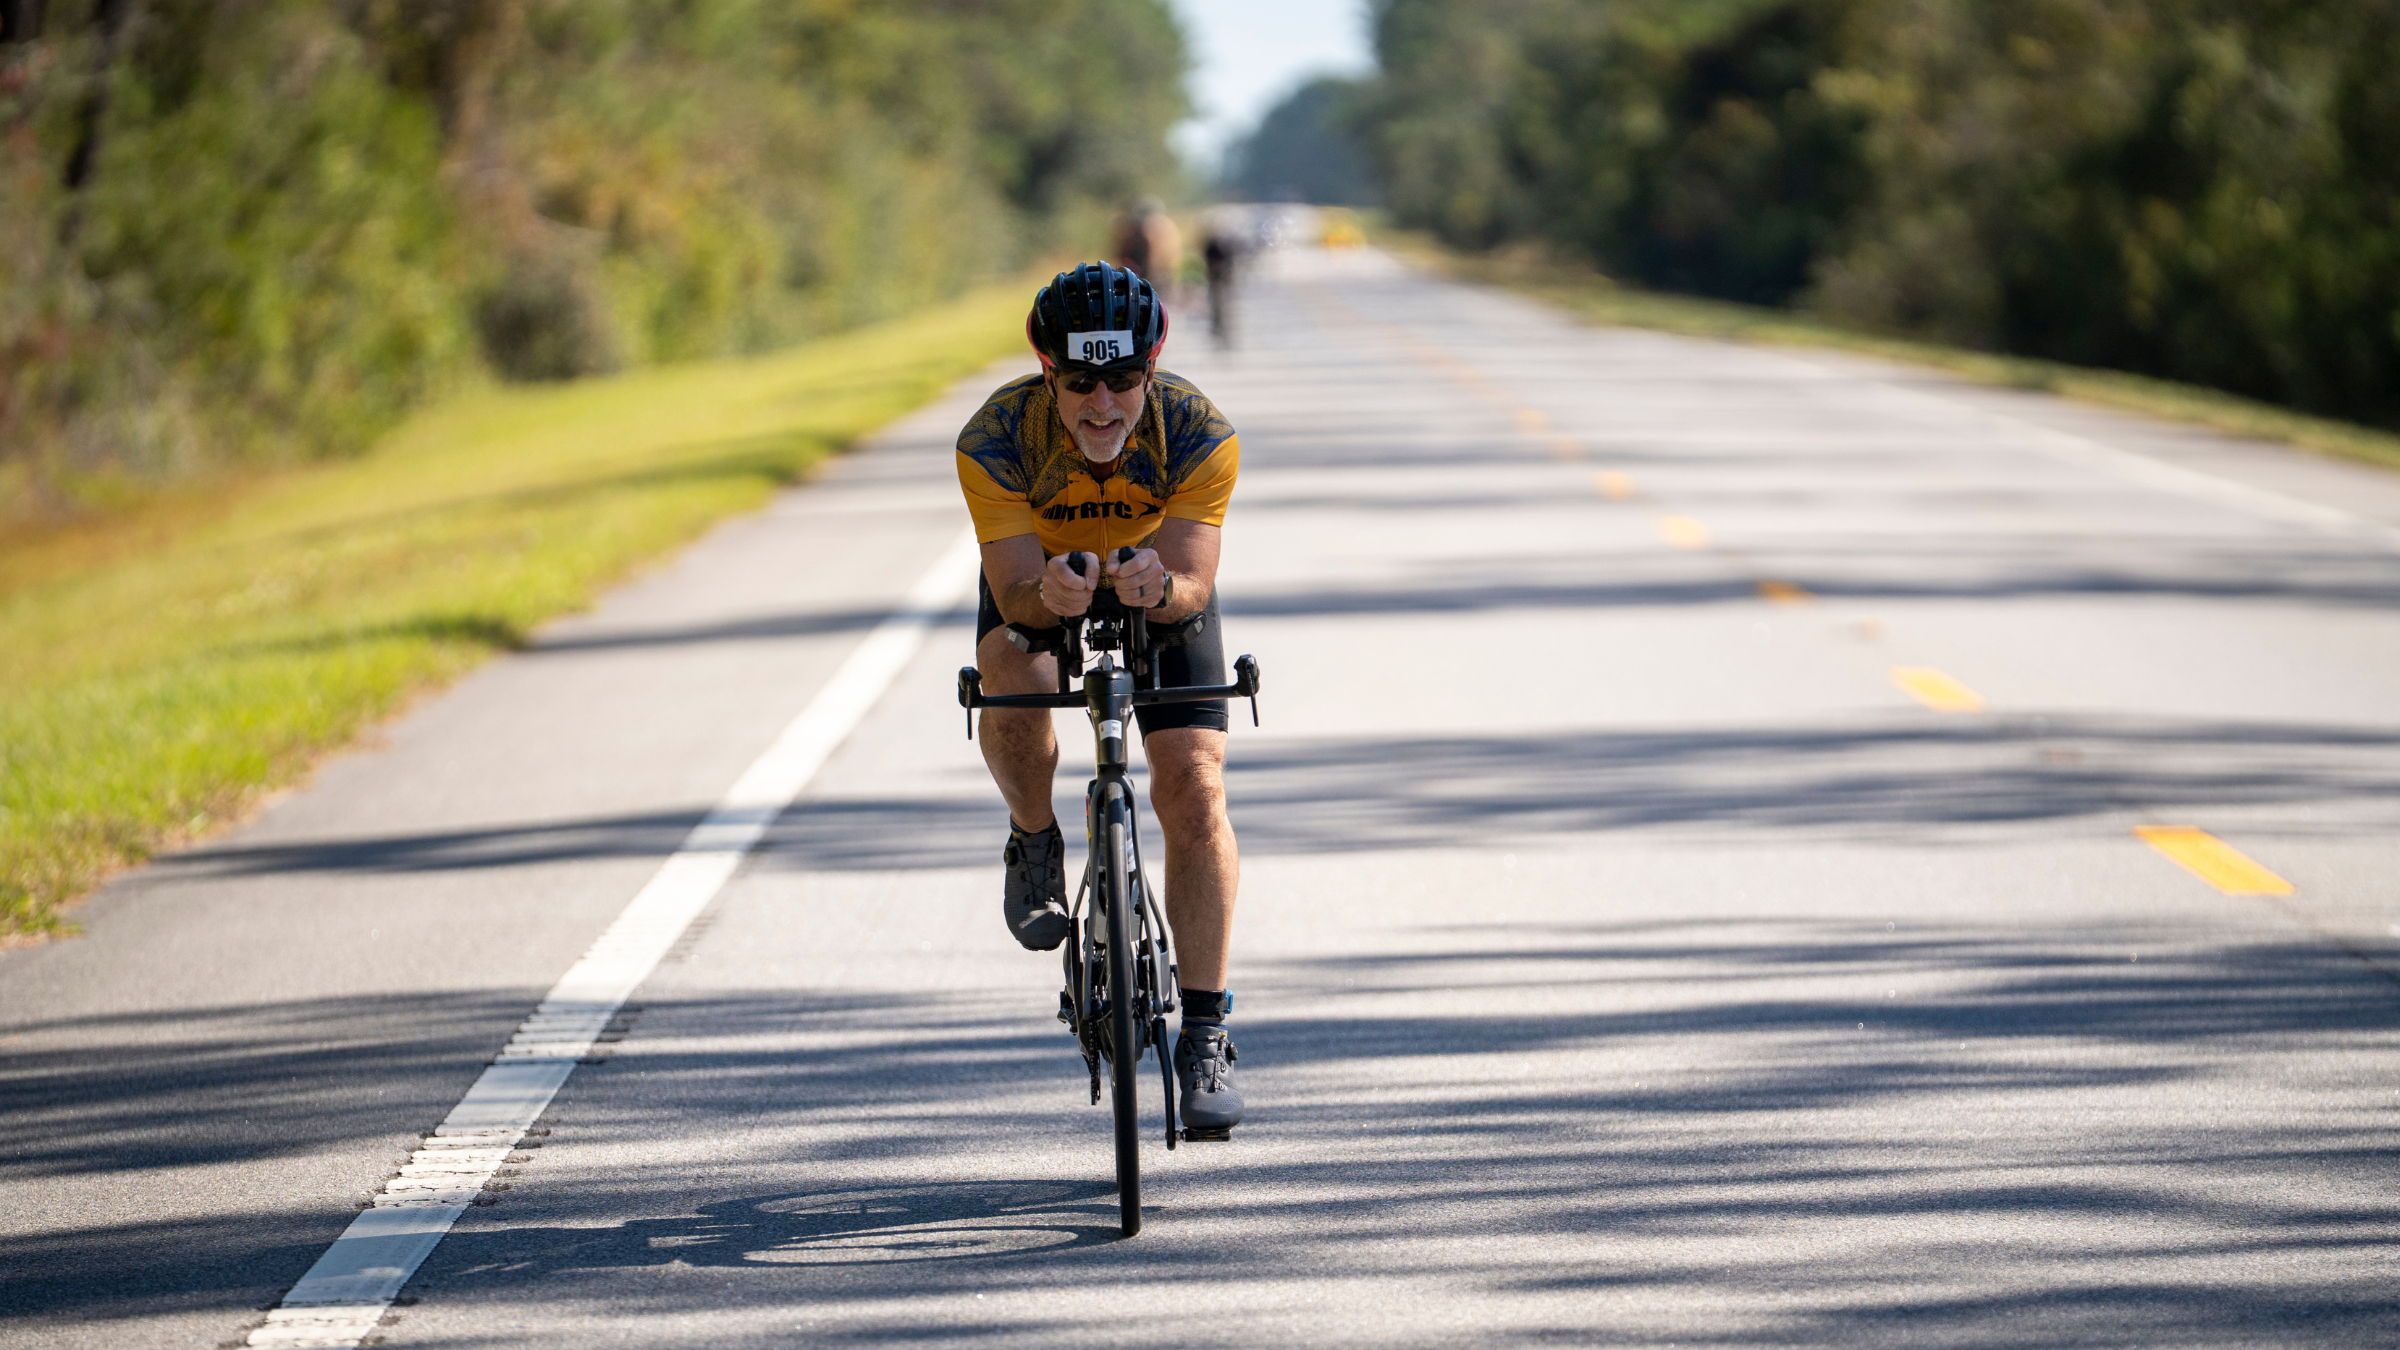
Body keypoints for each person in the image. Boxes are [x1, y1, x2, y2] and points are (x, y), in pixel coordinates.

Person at [954, 261, 1244, 1135]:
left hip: (1157, 582)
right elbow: (1013, 598)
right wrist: (1048, 598)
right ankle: (1034, 840)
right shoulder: (995, 439)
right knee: (1010, 665)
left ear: (1149, 370)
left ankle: (1206, 1032)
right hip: (1043, 582)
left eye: (1123, 379)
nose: (1103, 404)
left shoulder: (1199, 433)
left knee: (1192, 786)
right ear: (1050, 373)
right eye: (1080, 382)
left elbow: (1193, 581)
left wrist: (1161, 590)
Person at [1109, 197, 1182, 295]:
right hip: (1141, 271)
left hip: (1156, 273)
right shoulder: (1132, 229)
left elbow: (1156, 257)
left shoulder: (1162, 229)